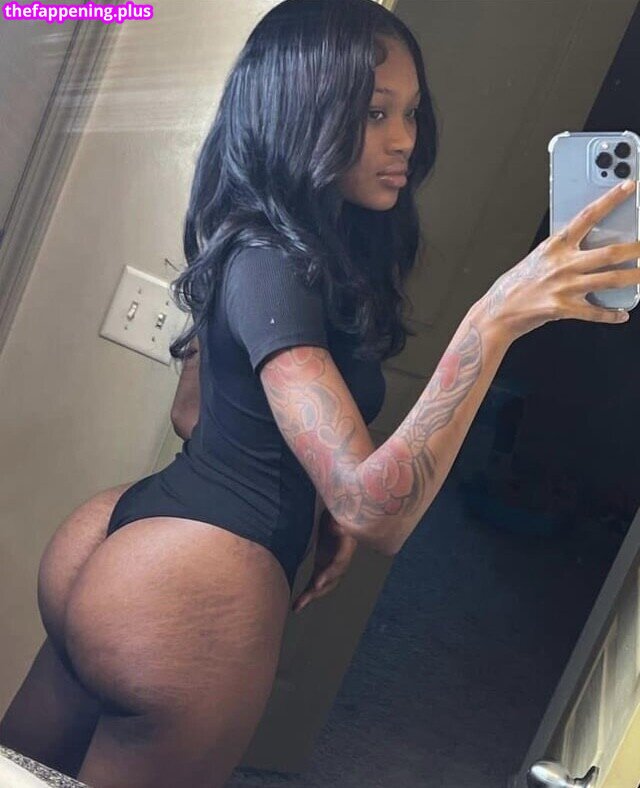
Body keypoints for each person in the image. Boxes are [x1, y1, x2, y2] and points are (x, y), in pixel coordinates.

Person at [1, 0, 638, 785]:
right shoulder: (278, 266)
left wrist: (316, 494)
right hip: (186, 596)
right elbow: (377, 511)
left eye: (410, 112)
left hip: (116, 542)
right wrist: (493, 321)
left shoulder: (257, 236)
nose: (404, 139)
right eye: (374, 114)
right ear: (302, 112)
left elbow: (192, 414)